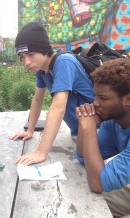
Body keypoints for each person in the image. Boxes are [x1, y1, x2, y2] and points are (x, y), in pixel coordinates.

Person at [11, 22, 94, 165]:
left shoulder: (64, 62)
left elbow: (57, 108)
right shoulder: (43, 70)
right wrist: (30, 130)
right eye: (22, 57)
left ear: (44, 49)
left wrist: (41, 152)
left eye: (30, 54)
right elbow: (37, 100)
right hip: (78, 132)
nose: (26, 62)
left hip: (97, 130)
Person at [75, 58, 130, 218]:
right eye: (94, 96)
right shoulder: (113, 121)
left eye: (103, 98)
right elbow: (83, 157)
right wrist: (84, 123)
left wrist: (88, 129)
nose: (95, 104)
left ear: (127, 99)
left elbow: (97, 184)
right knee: (81, 204)